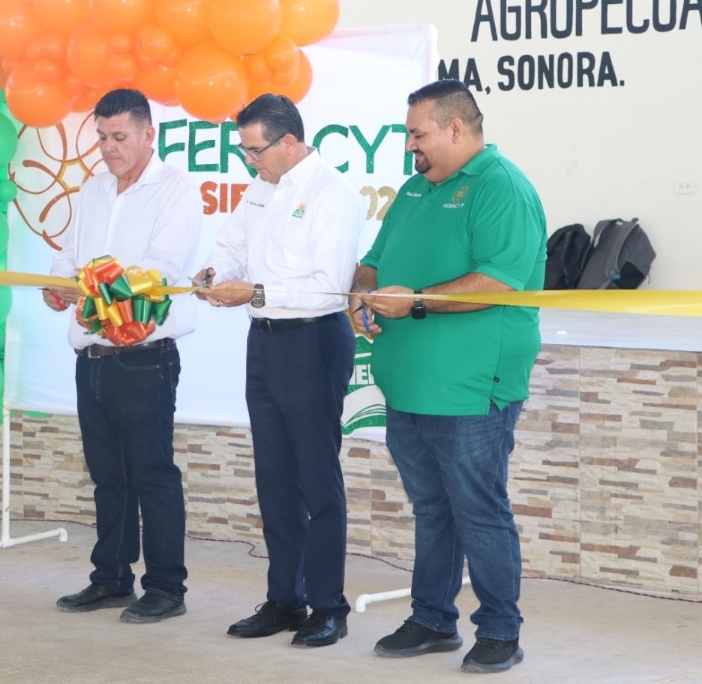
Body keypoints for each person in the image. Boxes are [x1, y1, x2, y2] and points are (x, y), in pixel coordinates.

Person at [352, 79, 546, 674]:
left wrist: (413, 300)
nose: (410, 145)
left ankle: (500, 631)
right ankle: (433, 619)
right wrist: (361, 295)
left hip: (470, 388)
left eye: (418, 134)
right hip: (407, 385)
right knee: (433, 509)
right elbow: (371, 263)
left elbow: (498, 283)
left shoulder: (501, 187)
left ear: (455, 128)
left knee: (479, 511)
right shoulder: (415, 188)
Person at [195, 93, 362, 648]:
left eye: (255, 150)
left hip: (313, 339)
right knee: (274, 477)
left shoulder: (332, 193)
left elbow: (329, 286)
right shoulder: (260, 188)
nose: (250, 161)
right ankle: (285, 599)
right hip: (263, 340)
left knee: (317, 478)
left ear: (289, 141)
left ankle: (329, 606)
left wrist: (255, 291)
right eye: (244, 151)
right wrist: (214, 273)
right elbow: (231, 246)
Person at [44, 88, 201, 624]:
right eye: (101, 137)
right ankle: (110, 579)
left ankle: (166, 588)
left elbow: (161, 270)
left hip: (144, 357)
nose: (108, 147)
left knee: (152, 473)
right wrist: (58, 286)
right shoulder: (92, 189)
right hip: (91, 355)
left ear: (148, 134)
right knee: (108, 475)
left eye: (119, 137)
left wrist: (91, 294)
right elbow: (69, 257)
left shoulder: (176, 189)